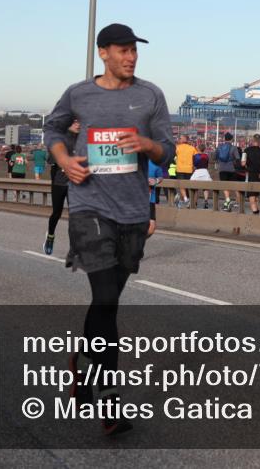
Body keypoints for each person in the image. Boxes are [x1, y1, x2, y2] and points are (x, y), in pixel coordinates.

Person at [44, 22, 174, 436]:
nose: (131, 57)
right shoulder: (79, 93)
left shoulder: (150, 95)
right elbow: (52, 128)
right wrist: (65, 160)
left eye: (134, 50)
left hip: (133, 212)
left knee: (108, 302)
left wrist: (147, 145)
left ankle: (80, 362)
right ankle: (110, 399)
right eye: (122, 50)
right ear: (103, 53)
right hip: (89, 206)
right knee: (105, 299)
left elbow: (167, 150)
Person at [44, 120, 79, 255]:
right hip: (59, 182)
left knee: (75, 216)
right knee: (56, 213)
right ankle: (50, 236)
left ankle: (73, 247)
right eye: (75, 122)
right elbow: (53, 163)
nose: (78, 124)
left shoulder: (83, 139)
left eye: (79, 121)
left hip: (75, 183)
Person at [214, 132, 241, 211]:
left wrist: (219, 162)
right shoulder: (234, 148)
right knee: (235, 186)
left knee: (225, 186)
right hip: (231, 169)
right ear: (231, 139)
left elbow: (215, 157)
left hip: (222, 169)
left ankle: (228, 200)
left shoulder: (219, 147)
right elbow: (237, 158)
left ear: (224, 139)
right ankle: (236, 202)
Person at [242, 134, 260, 214]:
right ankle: (257, 209)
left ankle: (255, 211)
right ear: (259, 141)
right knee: (258, 194)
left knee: (251, 194)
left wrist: (246, 168)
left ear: (252, 140)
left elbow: (243, 163)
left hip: (251, 174)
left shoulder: (246, 150)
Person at [174, 134, 198, 207]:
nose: (179, 139)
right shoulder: (192, 148)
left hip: (180, 169)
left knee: (182, 186)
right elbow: (196, 158)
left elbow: (173, 156)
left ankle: (185, 199)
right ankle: (187, 200)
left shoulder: (177, 147)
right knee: (187, 186)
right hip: (189, 169)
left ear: (184, 139)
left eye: (180, 138)